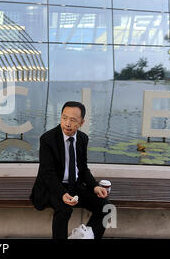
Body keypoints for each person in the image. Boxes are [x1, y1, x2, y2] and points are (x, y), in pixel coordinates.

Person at [29, 101, 112, 239]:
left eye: (73, 120)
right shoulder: (47, 139)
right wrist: (62, 194)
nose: (67, 123)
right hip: (52, 187)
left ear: (81, 122)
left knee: (107, 208)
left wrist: (95, 186)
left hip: (75, 185)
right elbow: (47, 174)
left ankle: (86, 237)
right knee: (64, 209)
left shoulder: (82, 139)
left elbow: (83, 169)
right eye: (64, 118)